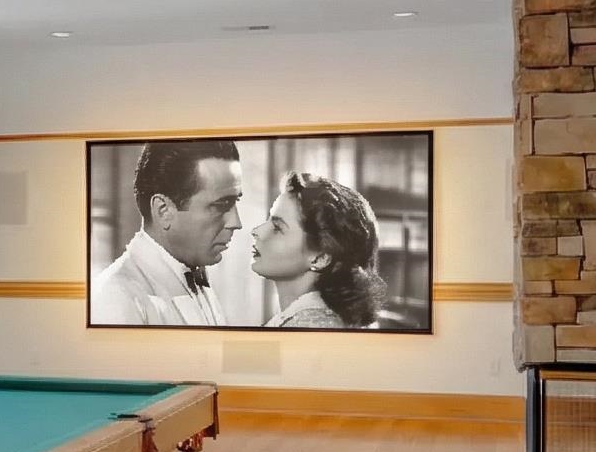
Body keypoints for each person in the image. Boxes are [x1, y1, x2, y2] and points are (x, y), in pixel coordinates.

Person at [92, 140, 243, 326]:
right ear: (164, 211)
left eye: (236, 202)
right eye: (221, 205)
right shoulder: (116, 298)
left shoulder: (196, 279)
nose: (236, 223)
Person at [251, 171, 387, 328]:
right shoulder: (301, 319)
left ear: (320, 258)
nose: (257, 231)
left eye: (277, 227)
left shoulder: (310, 326)